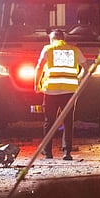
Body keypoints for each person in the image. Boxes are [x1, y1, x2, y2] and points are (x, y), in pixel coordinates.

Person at [34, 29, 85, 160]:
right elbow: (86, 67)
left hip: (51, 90)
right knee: (68, 121)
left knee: (49, 121)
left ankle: (47, 152)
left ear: (52, 39)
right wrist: (78, 78)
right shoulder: (74, 50)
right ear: (63, 39)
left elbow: (39, 67)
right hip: (69, 91)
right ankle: (67, 152)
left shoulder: (48, 49)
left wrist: (36, 84)